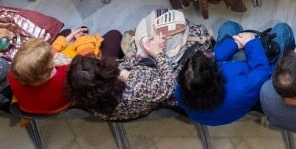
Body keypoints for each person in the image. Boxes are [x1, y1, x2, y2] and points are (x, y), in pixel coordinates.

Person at [67, 21, 214, 121]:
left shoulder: (88, 95)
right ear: (106, 74)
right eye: (99, 63)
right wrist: (157, 53)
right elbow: (171, 85)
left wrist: (142, 53)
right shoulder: (136, 87)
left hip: (144, 84)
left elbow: (125, 64)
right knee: (200, 33)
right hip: (164, 83)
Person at [175, 21, 293, 126]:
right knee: (282, 29)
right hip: (251, 94)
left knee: (229, 26)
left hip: (214, 113)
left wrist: (235, 44)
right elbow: (262, 71)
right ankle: (293, 62)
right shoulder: (239, 89)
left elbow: (213, 57)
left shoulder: (183, 89)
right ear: (216, 73)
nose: (208, 54)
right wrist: (251, 44)